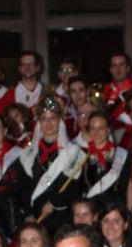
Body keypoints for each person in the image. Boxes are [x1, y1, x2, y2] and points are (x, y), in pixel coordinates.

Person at [12, 97, 86, 233]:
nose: (48, 123)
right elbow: (23, 187)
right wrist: (29, 214)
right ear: (38, 123)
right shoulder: (27, 155)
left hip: (64, 217)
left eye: (53, 118)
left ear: (60, 122)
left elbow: (76, 187)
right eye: (44, 119)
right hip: (36, 219)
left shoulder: (74, 152)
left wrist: (54, 203)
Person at [80, 111, 130, 207]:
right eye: (92, 128)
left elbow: (125, 188)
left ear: (108, 130)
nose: (96, 132)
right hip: (90, 209)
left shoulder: (121, 155)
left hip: (114, 210)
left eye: (101, 128)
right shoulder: (83, 155)